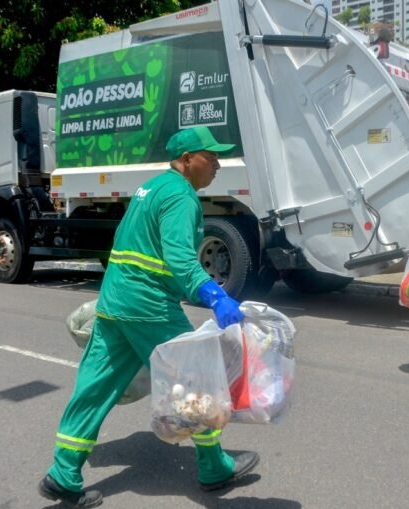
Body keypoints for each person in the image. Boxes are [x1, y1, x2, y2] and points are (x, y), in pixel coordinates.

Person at [38, 126, 259, 507]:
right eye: (211, 156)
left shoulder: (151, 188)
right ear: (187, 160)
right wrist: (214, 294)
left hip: (115, 301)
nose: (218, 164)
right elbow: (180, 257)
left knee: (95, 386)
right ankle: (213, 466)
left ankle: (64, 470)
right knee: (194, 380)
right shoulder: (181, 196)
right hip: (149, 305)